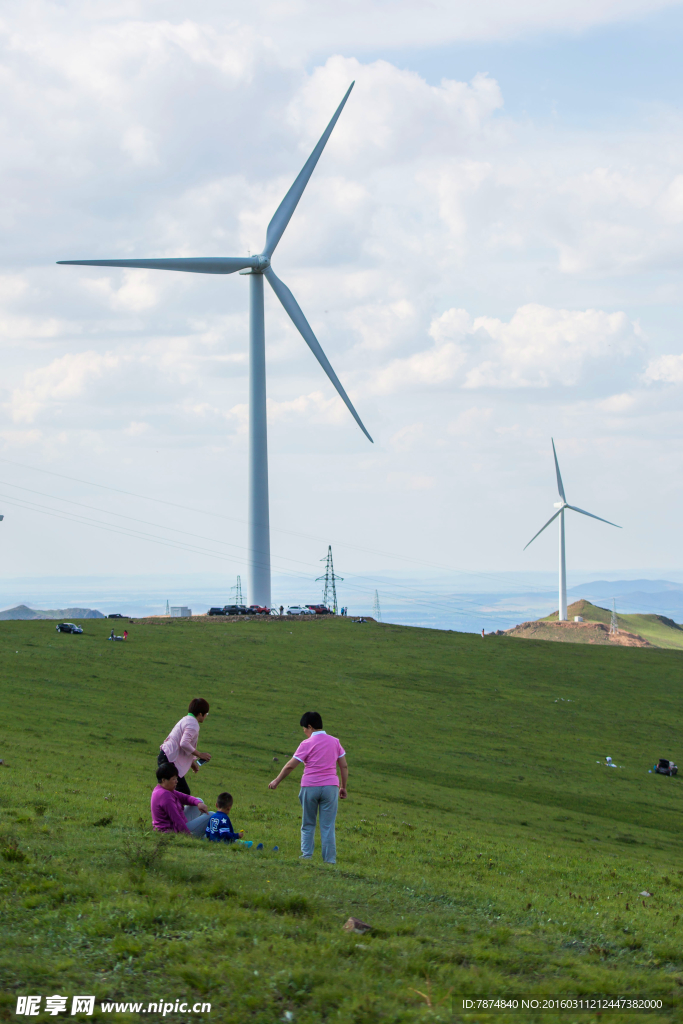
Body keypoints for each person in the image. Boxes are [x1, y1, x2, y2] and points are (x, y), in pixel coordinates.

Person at [268, 711, 347, 864]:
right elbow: (343, 765)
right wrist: (343, 787)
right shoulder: (335, 742)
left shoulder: (307, 744)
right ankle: (329, 860)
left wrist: (277, 780)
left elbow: (291, 765)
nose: (304, 732)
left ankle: (306, 856)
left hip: (310, 786)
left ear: (310, 727)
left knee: (308, 823)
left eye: (304, 729)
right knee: (328, 826)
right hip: (331, 787)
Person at [158, 698, 211, 796]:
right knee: (182, 791)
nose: (205, 717)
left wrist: (191, 763)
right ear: (200, 714)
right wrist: (200, 754)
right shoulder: (193, 724)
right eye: (206, 714)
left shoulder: (186, 719)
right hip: (168, 759)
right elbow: (184, 743)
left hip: (165, 757)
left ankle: (168, 809)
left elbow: (181, 746)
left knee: (175, 791)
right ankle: (172, 811)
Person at [151, 761, 211, 837]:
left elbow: (185, 797)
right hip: (172, 830)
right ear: (164, 780)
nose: (176, 781)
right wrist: (188, 835)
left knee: (198, 801)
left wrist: (198, 803)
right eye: (173, 779)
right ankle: (201, 836)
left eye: (176, 778)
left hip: (175, 826)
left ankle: (201, 834)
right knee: (211, 816)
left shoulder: (163, 789)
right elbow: (176, 819)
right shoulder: (165, 795)